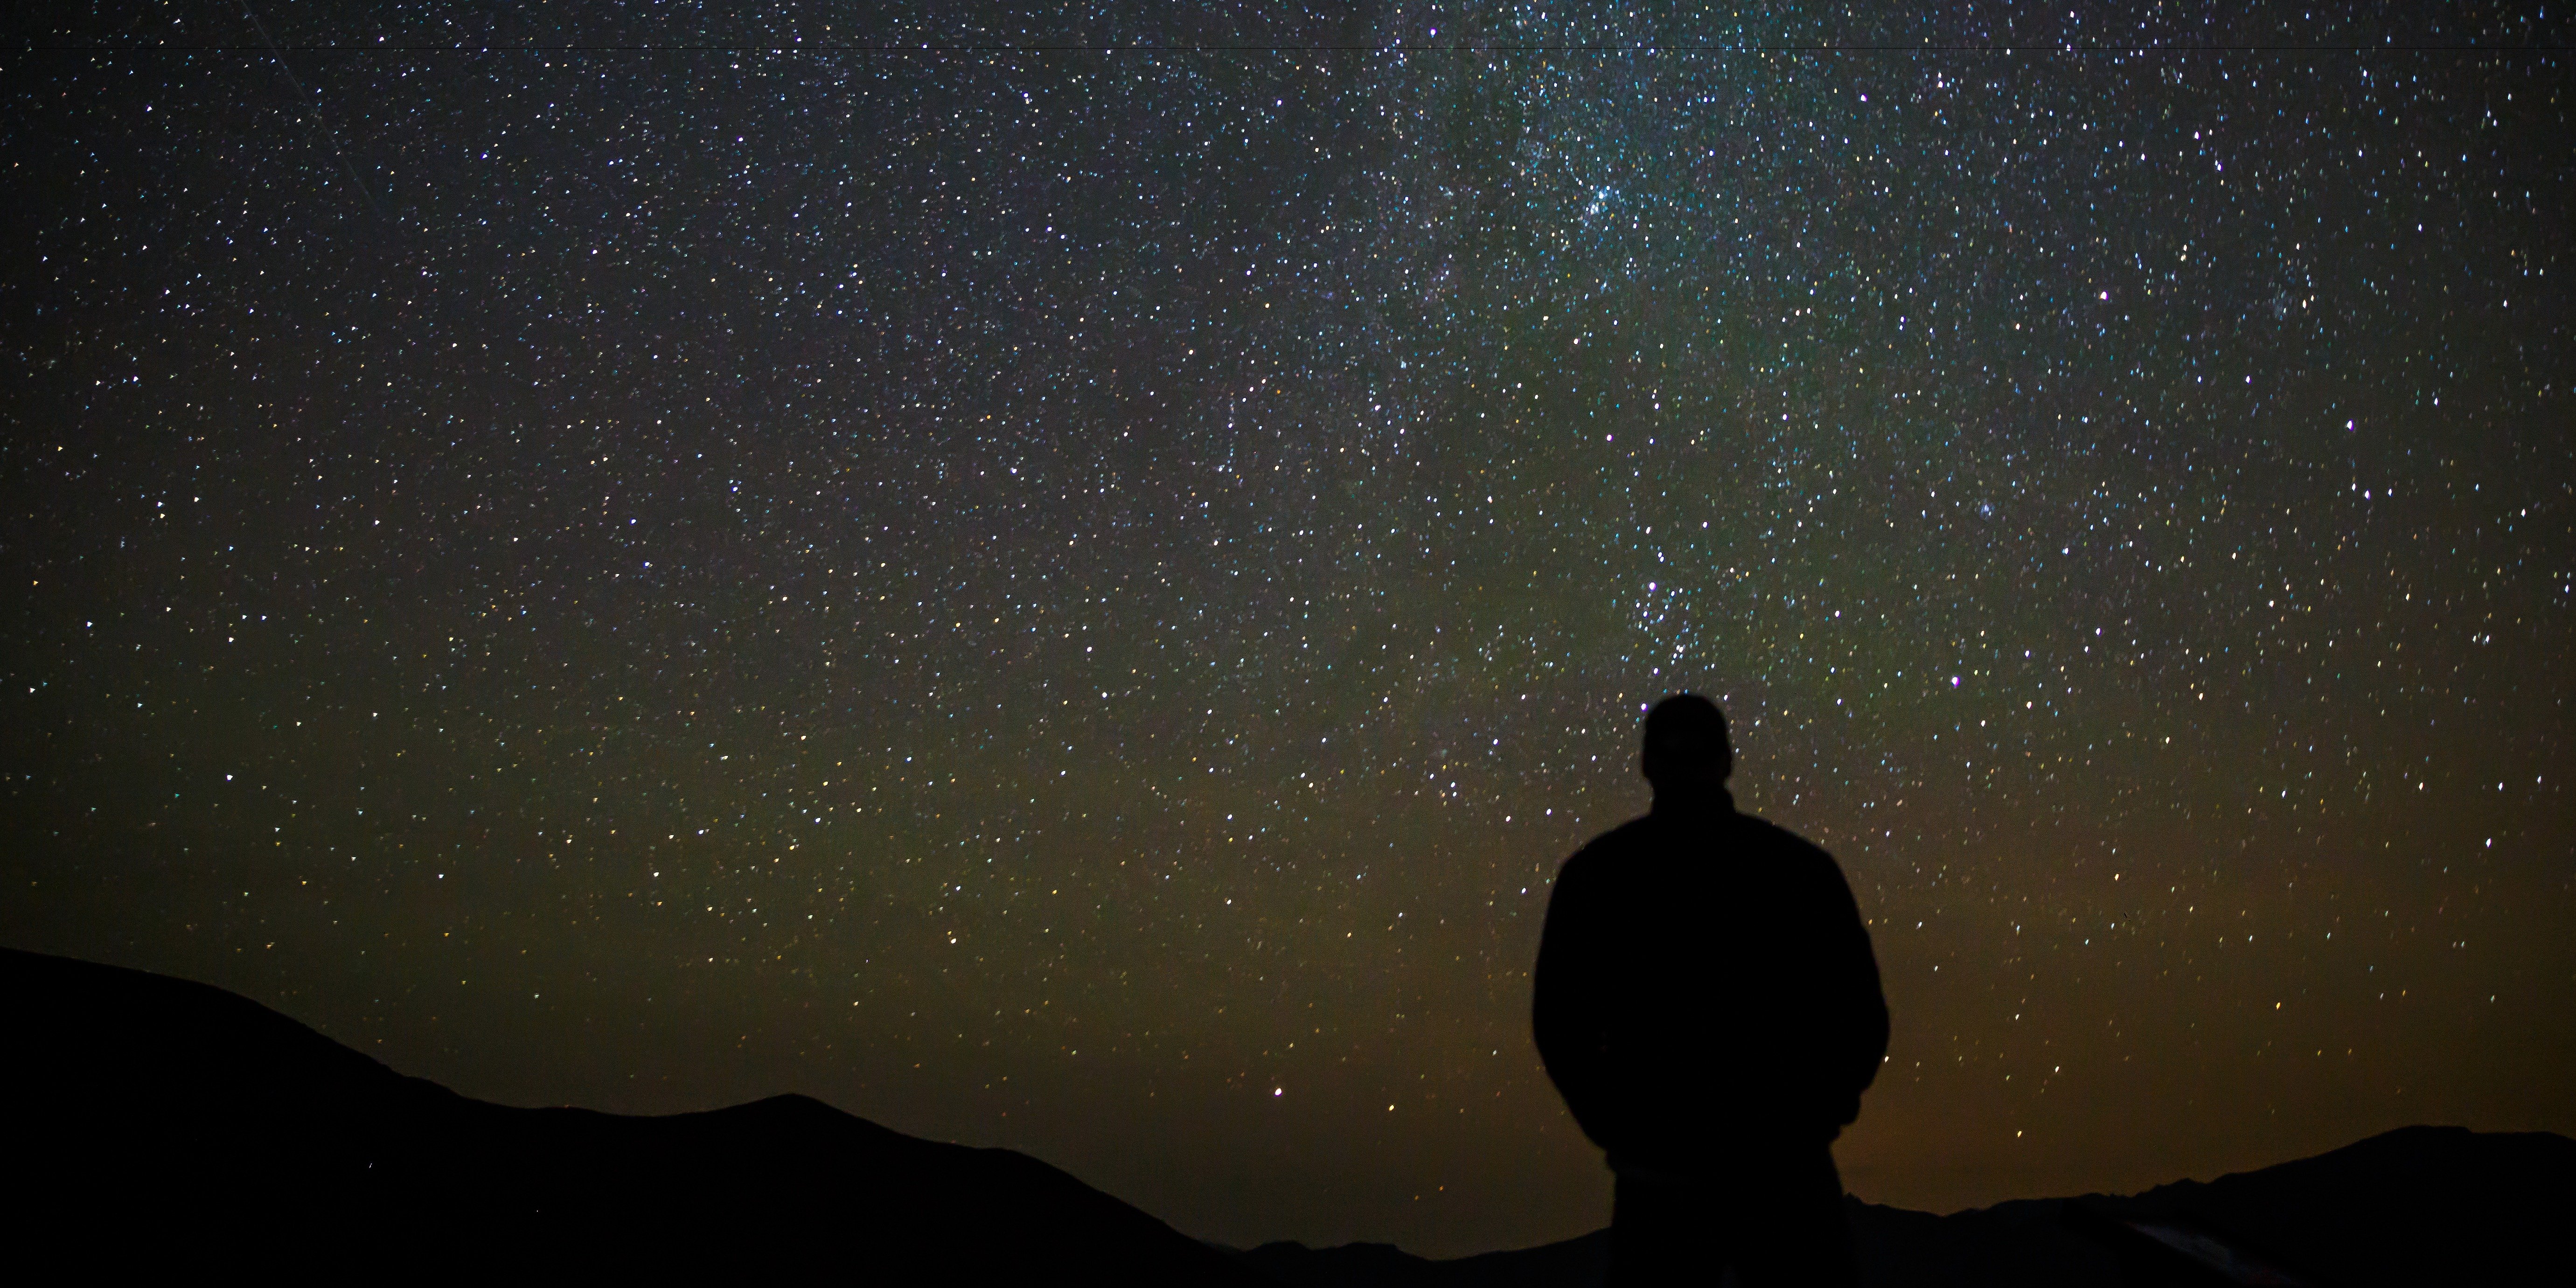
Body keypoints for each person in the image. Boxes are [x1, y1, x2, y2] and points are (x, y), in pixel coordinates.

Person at [1533, 693, 1888, 1287]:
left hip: (1663, 1180)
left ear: (1645, 764)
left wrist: (1623, 1130)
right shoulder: (1797, 870)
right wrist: (1811, 1119)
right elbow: (1858, 1014)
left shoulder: (1600, 876)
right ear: (1726, 762)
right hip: (1782, 1175)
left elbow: (1560, 1026)